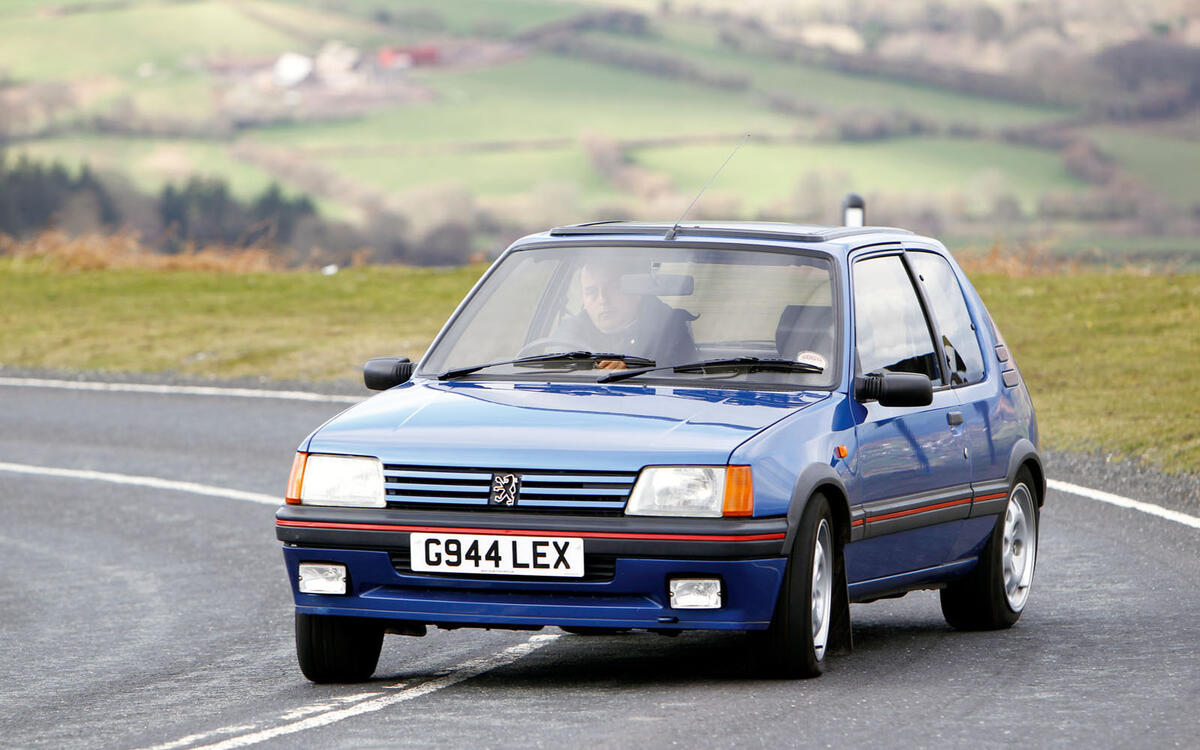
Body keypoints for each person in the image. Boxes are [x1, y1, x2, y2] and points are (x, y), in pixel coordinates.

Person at [553, 259, 698, 370]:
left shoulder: (668, 326)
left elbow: (674, 376)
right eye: (592, 292)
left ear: (637, 292)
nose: (603, 299)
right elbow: (555, 363)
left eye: (613, 288)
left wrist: (630, 368)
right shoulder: (573, 328)